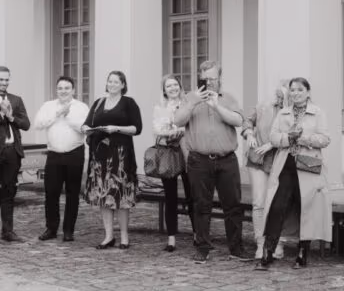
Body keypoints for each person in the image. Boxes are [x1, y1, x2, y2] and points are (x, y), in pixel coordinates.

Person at [174, 60, 250, 264]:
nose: (209, 83)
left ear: (220, 79)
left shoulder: (228, 99)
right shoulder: (190, 98)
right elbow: (178, 120)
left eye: (213, 79)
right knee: (201, 205)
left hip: (226, 160)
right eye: (205, 79)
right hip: (199, 160)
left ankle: (236, 248)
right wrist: (193, 102)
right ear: (200, 77)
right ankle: (202, 248)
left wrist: (217, 107)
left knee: (233, 205)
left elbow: (238, 121)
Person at [258, 78, 332, 269]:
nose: (295, 93)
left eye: (300, 90)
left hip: (307, 165)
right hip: (286, 165)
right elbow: (273, 138)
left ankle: (302, 252)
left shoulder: (318, 113)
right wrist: (288, 137)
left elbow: (324, 139)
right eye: (292, 90)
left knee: (304, 207)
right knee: (277, 206)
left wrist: (303, 138)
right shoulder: (283, 113)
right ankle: (268, 251)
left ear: (308, 92)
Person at [82, 70, 143, 248]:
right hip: (100, 157)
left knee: (121, 197)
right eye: (110, 81)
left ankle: (124, 236)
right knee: (104, 196)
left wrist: (116, 128)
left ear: (123, 85)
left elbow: (136, 128)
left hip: (121, 157)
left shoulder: (128, 103)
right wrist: (86, 128)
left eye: (117, 82)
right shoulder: (99, 102)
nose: (112, 84)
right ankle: (108, 236)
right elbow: (87, 123)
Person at [243, 78, 293, 262]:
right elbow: (247, 121)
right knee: (259, 202)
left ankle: (277, 243)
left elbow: (293, 133)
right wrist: (248, 134)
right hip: (258, 158)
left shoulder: (293, 112)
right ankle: (260, 243)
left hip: (280, 160)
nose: (280, 97)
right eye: (279, 94)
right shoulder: (264, 106)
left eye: (285, 94)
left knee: (277, 204)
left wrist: (272, 144)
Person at [33, 76, 89, 241]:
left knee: (72, 193)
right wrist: (57, 114)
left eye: (67, 88)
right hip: (54, 154)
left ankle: (68, 230)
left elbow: (85, 128)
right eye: (60, 88)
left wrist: (68, 117)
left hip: (74, 153)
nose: (63, 91)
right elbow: (38, 124)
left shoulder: (81, 107)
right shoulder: (48, 106)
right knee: (51, 193)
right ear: (56, 90)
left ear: (73, 90)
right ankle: (51, 228)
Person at [0, 66, 31, 242]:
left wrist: (11, 117)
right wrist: (1, 112)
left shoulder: (16, 100)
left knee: (9, 192)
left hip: (12, 152)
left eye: (7, 79)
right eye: (1, 79)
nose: (4, 83)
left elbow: (26, 124)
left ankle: (8, 232)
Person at [152, 76, 194, 252]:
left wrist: (175, 129)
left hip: (187, 152)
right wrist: (173, 131)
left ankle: (198, 234)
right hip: (169, 153)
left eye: (175, 84)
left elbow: (194, 125)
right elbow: (157, 129)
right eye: (168, 86)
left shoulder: (188, 104)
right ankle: (171, 238)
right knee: (170, 197)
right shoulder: (159, 107)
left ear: (180, 87)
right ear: (164, 89)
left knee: (193, 194)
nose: (172, 88)